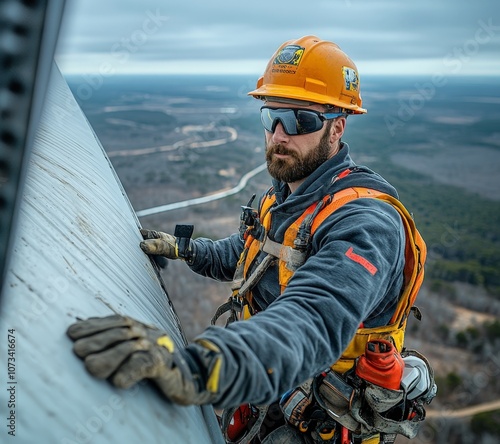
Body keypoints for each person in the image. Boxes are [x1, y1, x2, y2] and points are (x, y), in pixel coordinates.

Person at [67, 36, 433, 444]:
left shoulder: (365, 222)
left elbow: (312, 320)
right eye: (271, 117)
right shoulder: (286, 197)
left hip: (319, 421)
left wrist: (202, 367)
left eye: (300, 120)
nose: (279, 135)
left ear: (337, 127)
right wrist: (185, 249)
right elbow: (248, 256)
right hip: (268, 394)